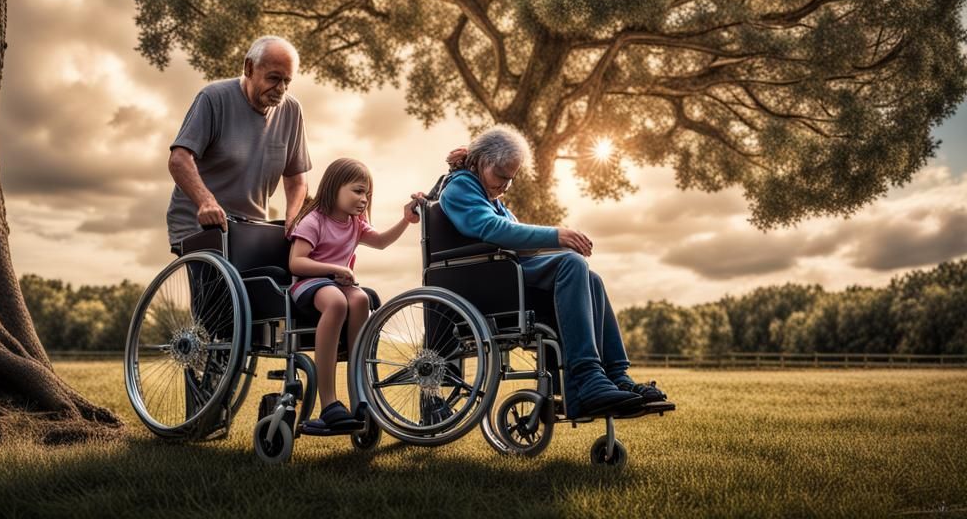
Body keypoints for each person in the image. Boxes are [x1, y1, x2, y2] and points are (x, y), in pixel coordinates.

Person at [439, 125, 669, 419]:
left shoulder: (491, 197)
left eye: (511, 179)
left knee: (590, 277)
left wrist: (554, 244)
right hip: (489, 284)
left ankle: (615, 375)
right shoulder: (460, 188)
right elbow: (492, 229)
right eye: (501, 176)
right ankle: (588, 379)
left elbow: (514, 240)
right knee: (572, 263)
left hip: (508, 275)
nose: (505, 186)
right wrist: (556, 236)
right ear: (481, 161)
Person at [289, 158, 423, 430]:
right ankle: (329, 402)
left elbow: (382, 242)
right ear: (335, 186)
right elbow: (296, 262)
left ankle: (359, 395)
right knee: (337, 302)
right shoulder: (314, 220)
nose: (364, 199)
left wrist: (406, 220)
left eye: (367, 194)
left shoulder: (355, 223)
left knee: (361, 299)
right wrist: (334, 268)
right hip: (308, 284)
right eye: (358, 191)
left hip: (339, 284)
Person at [166, 35, 310, 246]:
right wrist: (206, 202)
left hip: (250, 228)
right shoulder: (213, 98)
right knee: (216, 278)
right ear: (249, 68)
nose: (281, 89)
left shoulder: (292, 111)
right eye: (273, 78)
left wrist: (293, 217)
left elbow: (297, 179)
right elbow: (179, 160)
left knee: (275, 276)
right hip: (200, 226)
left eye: (287, 81)